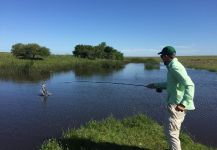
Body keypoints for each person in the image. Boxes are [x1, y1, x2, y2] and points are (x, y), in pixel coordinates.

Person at [146, 46, 195, 150]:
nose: (161, 58)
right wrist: (155, 85)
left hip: (177, 106)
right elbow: (171, 84)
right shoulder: (172, 66)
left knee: (172, 133)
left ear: (167, 56)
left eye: (162, 56)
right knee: (171, 131)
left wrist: (184, 103)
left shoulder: (175, 67)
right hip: (175, 104)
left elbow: (190, 85)